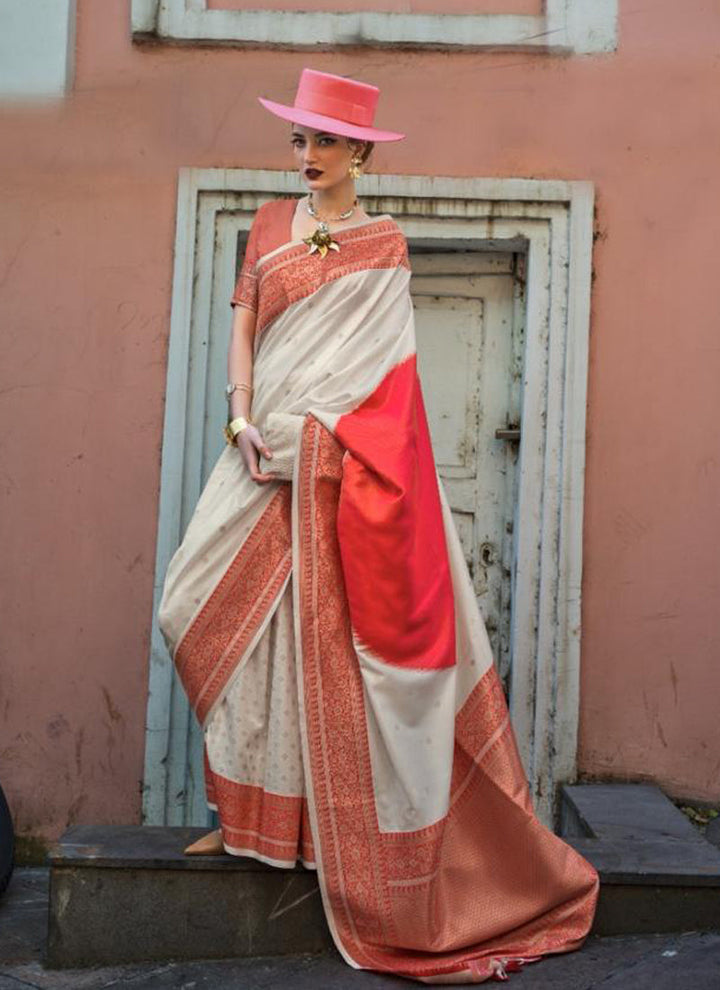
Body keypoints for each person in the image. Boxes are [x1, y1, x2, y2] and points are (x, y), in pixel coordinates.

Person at [157, 67, 599, 984]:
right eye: (299, 141)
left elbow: (388, 382)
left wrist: (320, 440)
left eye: (324, 142)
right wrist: (240, 420)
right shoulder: (271, 227)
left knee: (309, 644)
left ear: (360, 150)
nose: (308, 157)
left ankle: (303, 834)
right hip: (257, 454)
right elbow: (243, 325)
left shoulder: (385, 244)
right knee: (194, 614)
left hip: (331, 465)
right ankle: (245, 819)